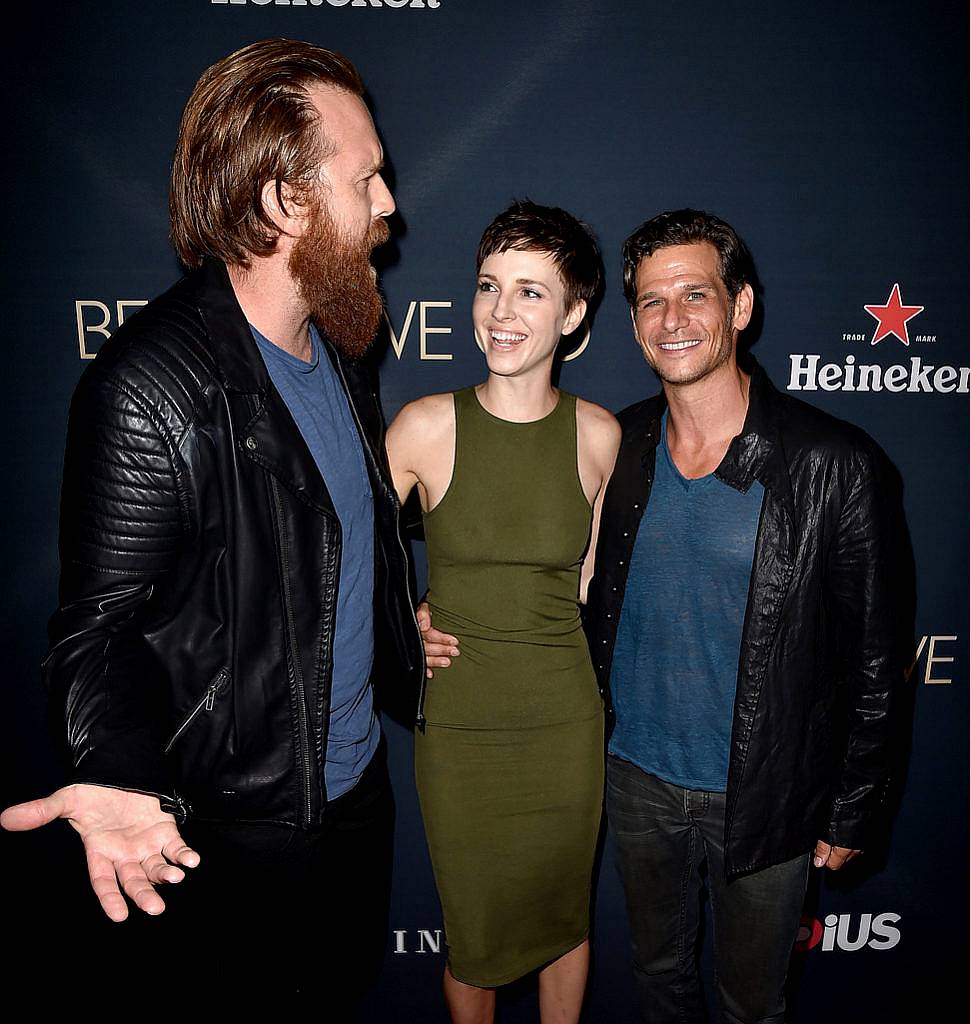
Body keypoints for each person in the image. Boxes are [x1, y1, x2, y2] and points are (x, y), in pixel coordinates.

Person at [1, 39, 423, 1007]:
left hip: (355, 802)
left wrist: (406, 636)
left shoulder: (345, 344)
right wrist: (110, 768)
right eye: (367, 178)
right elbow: (95, 630)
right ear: (285, 202)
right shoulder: (148, 387)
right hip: (236, 835)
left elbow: (329, 551)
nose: (391, 203)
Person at [582, 209, 904, 1023]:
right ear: (633, 322)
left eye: (696, 295)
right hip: (635, 777)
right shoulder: (614, 445)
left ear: (741, 306)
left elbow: (876, 657)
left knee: (752, 1005)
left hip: (766, 792)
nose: (674, 319)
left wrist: (852, 806)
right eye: (653, 302)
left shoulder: (835, 463)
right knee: (658, 977)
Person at [387, 200, 620, 1024]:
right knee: (475, 936)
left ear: (574, 312)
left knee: (564, 919)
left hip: (564, 723)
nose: (502, 312)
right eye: (490, 287)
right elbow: (343, 560)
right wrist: (401, 617)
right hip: (462, 729)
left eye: (530, 292)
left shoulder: (598, 436)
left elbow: (595, 589)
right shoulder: (422, 427)